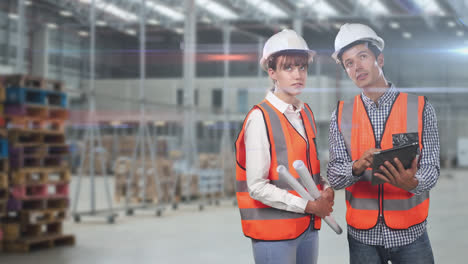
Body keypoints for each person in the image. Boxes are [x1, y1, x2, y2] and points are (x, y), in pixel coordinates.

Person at [327, 23, 440, 264]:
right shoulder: (341, 114)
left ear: (380, 59)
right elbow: (334, 176)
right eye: (348, 63)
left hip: (411, 234)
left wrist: (414, 182)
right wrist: (356, 166)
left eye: (363, 57)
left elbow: (432, 166)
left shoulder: (419, 108)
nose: (357, 67)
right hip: (362, 238)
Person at [235, 29, 335, 264]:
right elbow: (257, 187)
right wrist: (308, 205)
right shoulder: (260, 118)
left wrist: (325, 188)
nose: (297, 74)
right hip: (275, 234)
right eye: (288, 68)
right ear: (272, 73)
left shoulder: (305, 113)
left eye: (302, 67)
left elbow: (309, 168)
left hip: (307, 228)